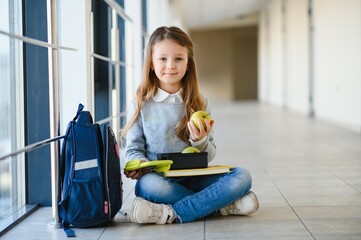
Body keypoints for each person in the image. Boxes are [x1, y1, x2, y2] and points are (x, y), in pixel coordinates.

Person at [122, 26, 259, 224]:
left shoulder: (200, 102)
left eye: (179, 58)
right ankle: (220, 206)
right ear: (151, 62)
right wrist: (139, 163)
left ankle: (169, 213)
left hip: (196, 177)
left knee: (242, 176)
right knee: (148, 186)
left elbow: (210, 155)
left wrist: (200, 140)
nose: (171, 65)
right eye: (162, 59)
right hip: (160, 180)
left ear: (188, 63)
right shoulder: (140, 103)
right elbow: (133, 149)